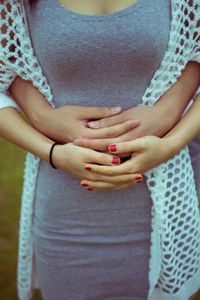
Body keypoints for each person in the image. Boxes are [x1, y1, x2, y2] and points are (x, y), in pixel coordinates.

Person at [0, 1, 200, 300]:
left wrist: (169, 142)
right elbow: (6, 68)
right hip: (65, 216)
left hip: (162, 214)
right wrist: (52, 149)